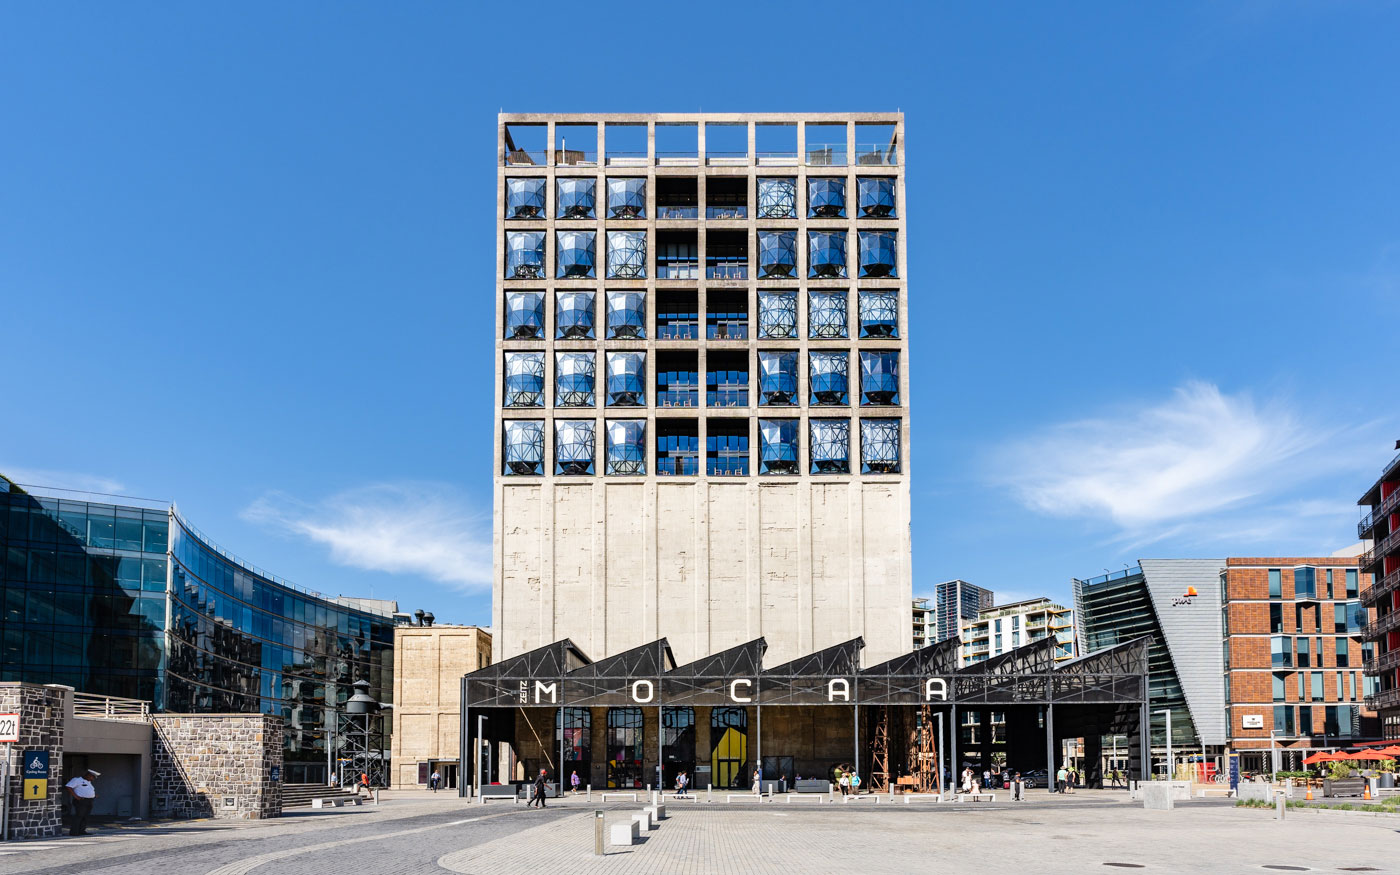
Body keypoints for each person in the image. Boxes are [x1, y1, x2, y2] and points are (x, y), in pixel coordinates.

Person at [65, 768, 99, 836]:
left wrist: (93, 795)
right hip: (81, 801)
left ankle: (82, 830)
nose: (93, 779)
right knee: (79, 816)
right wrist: (76, 796)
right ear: (88, 775)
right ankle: (74, 832)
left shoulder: (88, 782)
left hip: (89, 801)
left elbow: (86, 790)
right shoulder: (77, 780)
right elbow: (68, 787)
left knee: (85, 816)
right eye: (92, 777)